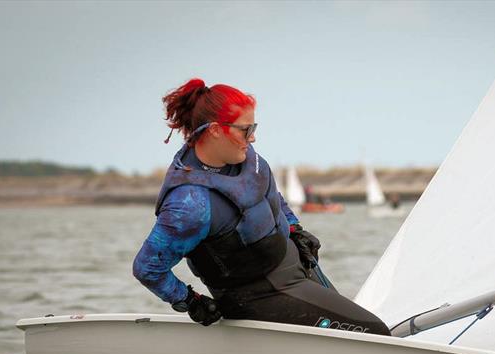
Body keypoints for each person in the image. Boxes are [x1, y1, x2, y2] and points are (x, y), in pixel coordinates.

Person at [133, 78, 390, 335]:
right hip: (258, 296)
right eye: (245, 129)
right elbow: (147, 268)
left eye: (253, 127)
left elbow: (271, 195)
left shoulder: (245, 158)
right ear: (214, 130)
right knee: (375, 333)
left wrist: (295, 228)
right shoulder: (189, 205)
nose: (253, 137)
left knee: (359, 335)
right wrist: (190, 301)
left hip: (294, 266)